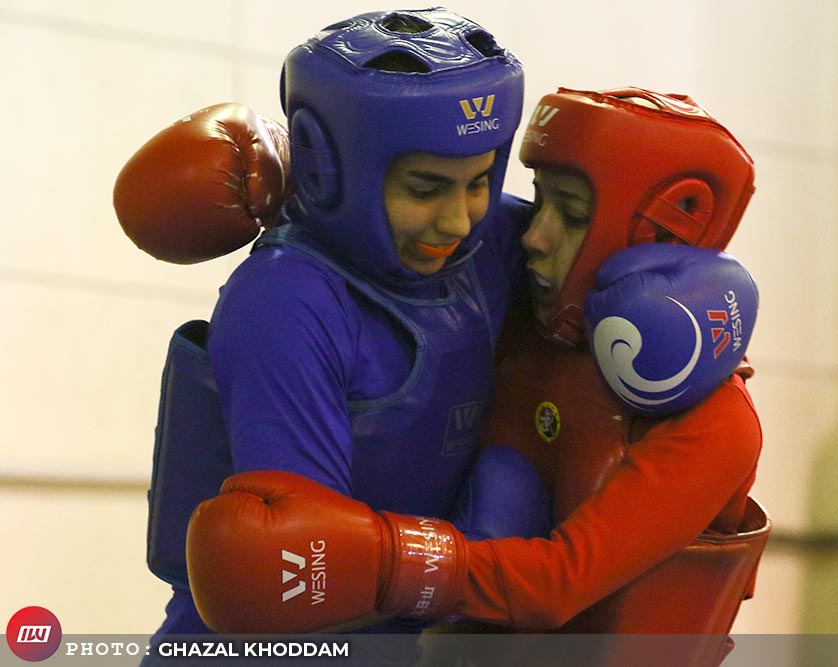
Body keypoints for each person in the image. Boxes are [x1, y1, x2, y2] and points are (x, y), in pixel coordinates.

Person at [182, 88, 770, 666]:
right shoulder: (526, 321)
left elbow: (558, 583)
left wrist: (381, 559)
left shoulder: (714, 422)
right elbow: (396, 208)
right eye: (538, 201)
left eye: (570, 214)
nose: (532, 235)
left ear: (657, 237)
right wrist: (293, 162)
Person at [113, 8, 551, 652]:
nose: (458, 221)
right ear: (333, 169)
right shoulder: (287, 301)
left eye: (479, 182)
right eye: (425, 187)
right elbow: (299, 566)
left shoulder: (491, 245)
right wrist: (464, 564)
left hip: (405, 641)